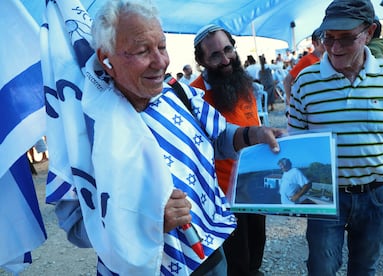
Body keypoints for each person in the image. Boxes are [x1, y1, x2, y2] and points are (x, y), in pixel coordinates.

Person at [54, 1, 284, 275]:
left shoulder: (177, 94)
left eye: (162, 46)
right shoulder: (85, 128)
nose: (161, 61)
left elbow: (220, 137)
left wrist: (253, 134)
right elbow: (76, 226)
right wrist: (145, 223)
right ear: (107, 58)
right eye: (142, 51)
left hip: (210, 253)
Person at [287, 0, 383, 275]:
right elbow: (295, 142)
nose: (334, 48)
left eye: (346, 39)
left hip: (376, 194)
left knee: (365, 268)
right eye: (328, 38)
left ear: (369, 32)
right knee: (322, 268)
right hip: (324, 196)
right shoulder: (305, 82)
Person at [191, 24, 271, 276]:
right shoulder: (194, 94)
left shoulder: (243, 82)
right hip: (223, 196)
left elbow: (253, 123)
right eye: (215, 55)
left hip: (255, 185)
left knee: (256, 250)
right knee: (237, 262)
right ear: (201, 60)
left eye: (228, 50)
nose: (225, 59)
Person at [283, 28, 325, 108]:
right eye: (322, 40)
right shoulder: (307, 60)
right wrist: (290, 102)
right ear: (314, 43)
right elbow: (287, 80)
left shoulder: (328, 60)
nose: (326, 43)